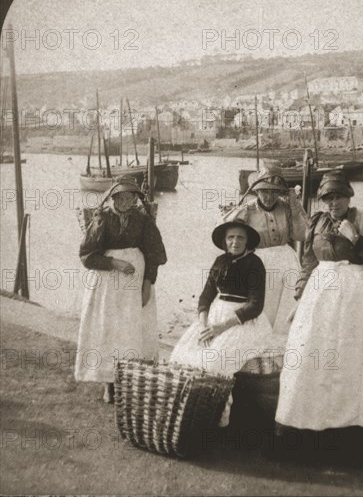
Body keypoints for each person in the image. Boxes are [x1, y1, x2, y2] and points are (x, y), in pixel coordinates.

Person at [275, 169, 363, 431]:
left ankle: (353, 422)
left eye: (339, 197)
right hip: (320, 293)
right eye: (328, 198)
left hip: (356, 293)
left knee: (350, 353)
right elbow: (308, 261)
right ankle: (306, 418)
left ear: (348, 197)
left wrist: (355, 238)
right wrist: (299, 299)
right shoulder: (316, 222)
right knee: (310, 350)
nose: (334, 203)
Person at [169, 218, 272, 426]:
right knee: (180, 355)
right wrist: (203, 323)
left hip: (242, 320)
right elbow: (206, 296)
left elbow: (255, 305)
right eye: (231, 237)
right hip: (215, 315)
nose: (235, 242)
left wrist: (220, 328)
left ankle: (215, 417)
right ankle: (185, 412)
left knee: (215, 362)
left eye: (240, 238)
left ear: (247, 241)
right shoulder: (219, 261)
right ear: (225, 241)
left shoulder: (254, 264)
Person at [74, 176, 167, 403]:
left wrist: (147, 284)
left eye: (130, 196)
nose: (125, 201)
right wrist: (115, 263)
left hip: (135, 283)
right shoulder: (102, 219)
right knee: (110, 329)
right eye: (120, 197)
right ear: (113, 198)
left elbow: (155, 255)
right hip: (107, 283)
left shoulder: (143, 221)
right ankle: (109, 383)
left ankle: (132, 382)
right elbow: (87, 256)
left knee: (133, 330)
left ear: (136, 198)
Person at [221, 166, 308, 335]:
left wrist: (295, 208)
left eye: (274, 192)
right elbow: (227, 237)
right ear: (257, 191)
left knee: (287, 303)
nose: (269, 197)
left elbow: (301, 235)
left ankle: (284, 340)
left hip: (285, 260)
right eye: (264, 192)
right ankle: (260, 340)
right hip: (259, 261)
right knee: (263, 302)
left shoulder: (287, 208)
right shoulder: (247, 210)